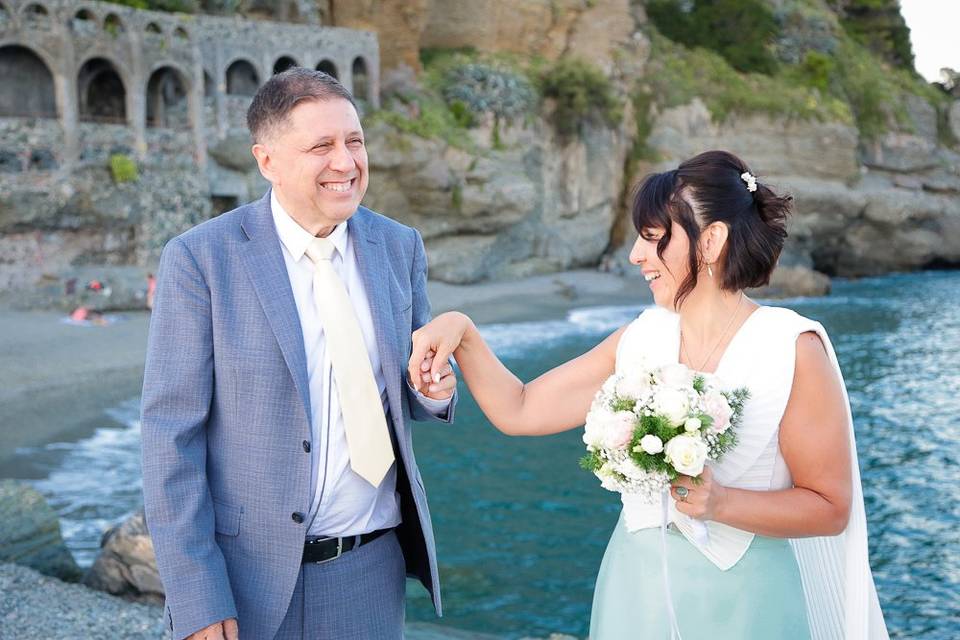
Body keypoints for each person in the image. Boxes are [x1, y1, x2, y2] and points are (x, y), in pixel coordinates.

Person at [409, 150, 888, 639]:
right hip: (635, 591)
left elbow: (830, 507)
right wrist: (462, 332)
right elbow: (521, 408)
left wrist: (721, 503)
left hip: (747, 601)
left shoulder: (792, 349)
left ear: (712, 240)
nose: (636, 255)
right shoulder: (642, 337)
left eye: (654, 238)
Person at [141, 68, 458, 640]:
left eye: (354, 141)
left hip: (370, 573)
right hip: (244, 581)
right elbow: (170, 437)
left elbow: (408, 380)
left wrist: (433, 391)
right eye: (322, 146)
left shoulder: (399, 245)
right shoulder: (200, 259)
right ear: (268, 162)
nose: (346, 162)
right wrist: (196, 595)